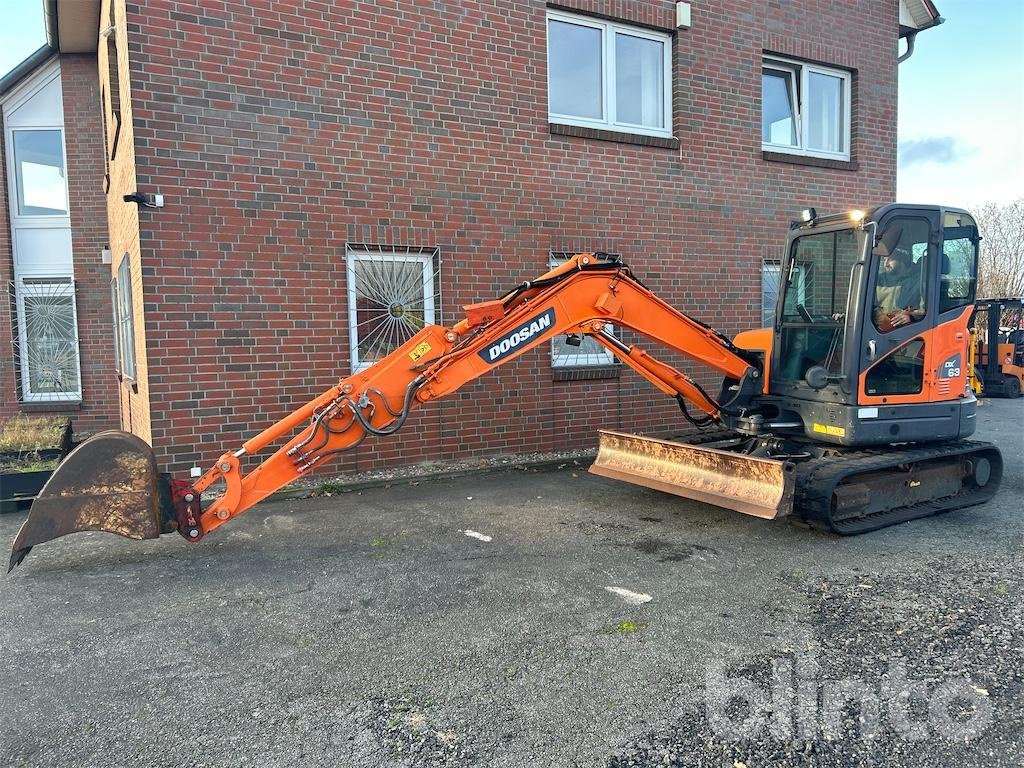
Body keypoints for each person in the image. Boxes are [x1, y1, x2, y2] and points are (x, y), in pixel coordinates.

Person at [873, 245, 924, 331]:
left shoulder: (920, 281)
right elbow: (868, 306)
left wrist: (910, 317)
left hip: (909, 333)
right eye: (884, 260)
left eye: (890, 260)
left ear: (902, 260)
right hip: (880, 333)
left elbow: (926, 311)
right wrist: (876, 315)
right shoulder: (878, 281)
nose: (886, 264)